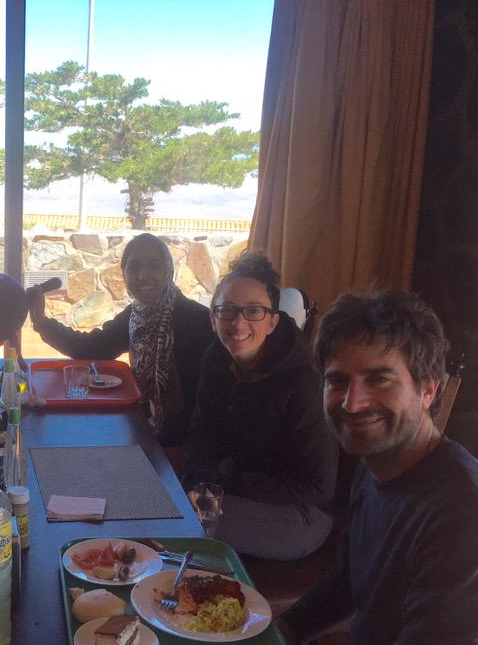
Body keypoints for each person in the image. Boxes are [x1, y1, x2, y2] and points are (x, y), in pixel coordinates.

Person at [278, 290, 478, 645]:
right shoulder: (376, 467)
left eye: (379, 379)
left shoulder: (472, 512)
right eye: (337, 381)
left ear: (429, 390)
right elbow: (350, 577)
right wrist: (282, 633)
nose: (352, 402)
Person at [182, 251, 337, 560]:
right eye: (227, 310)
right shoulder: (216, 360)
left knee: (175, 521)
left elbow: (319, 487)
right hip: (234, 493)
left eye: (253, 311)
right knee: (162, 502)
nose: (238, 323)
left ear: (272, 321)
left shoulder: (302, 382)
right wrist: (199, 482)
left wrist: (225, 482)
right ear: (213, 319)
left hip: (301, 516)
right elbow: (202, 434)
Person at [28, 233, 213, 449]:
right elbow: (91, 348)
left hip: (186, 445)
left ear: (168, 271)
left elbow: (210, 400)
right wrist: (41, 321)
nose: (143, 275)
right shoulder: (135, 315)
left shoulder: (197, 319)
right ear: (124, 274)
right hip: (145, 429)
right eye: (134, 268)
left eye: (154, 266)